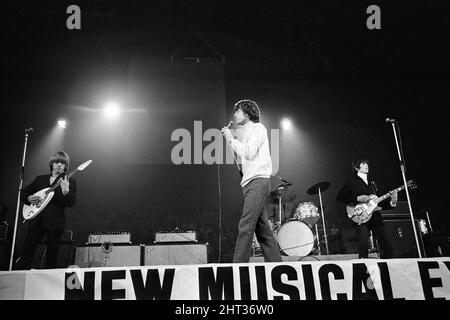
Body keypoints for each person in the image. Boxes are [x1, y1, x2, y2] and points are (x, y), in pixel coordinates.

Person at [221, 99, 281, 263]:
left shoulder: (258, 128)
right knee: (263, 230)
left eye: (238, 111)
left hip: (258, 182)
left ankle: (238, 265)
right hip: (249, 184)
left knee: (246, 224)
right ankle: (276, 264)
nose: (234, 114)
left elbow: (248, 152)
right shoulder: (246, 132)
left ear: (247, 113)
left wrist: (230, 139)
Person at [18, 151, 77, 269]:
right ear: (52, 164)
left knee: (52, 255)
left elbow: (71, 202)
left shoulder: (70, 181)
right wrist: (29, 198)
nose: (59, 165)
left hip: (55, 222)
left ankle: (48, 282)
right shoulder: (40, 179)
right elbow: (23, 193)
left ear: (66, 166)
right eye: (57, 162)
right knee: (27, 251)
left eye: (62, 163)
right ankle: (21, 275)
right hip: (36, 220)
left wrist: (66, 190)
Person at [336, 159, 397, 259]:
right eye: (363, 164)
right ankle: (362, 270)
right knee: (363, 245)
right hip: (360, 216)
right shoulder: (351, 181)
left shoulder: (372, 183)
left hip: (375, 216)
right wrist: (357, 198)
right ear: (356, 167)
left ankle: (388, 267)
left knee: (386, 244)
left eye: (367, 164)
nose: (366, 165)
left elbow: (377, 202)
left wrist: (392, 202)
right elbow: (340, 197)